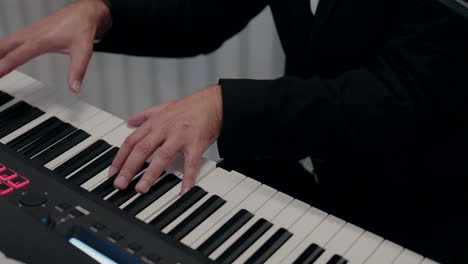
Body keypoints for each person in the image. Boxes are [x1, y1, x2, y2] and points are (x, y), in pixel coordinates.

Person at [0, 0, 467, 262]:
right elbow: (201, 13)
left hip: (432, 197)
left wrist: (227, 104)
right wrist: (102, 12)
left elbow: (410, 90)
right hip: (339, 166)